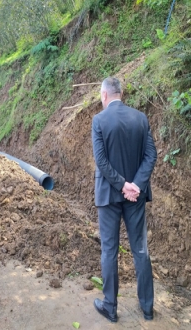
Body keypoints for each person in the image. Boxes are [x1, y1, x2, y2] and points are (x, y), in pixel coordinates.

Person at [91, 77, 157, 323]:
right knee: (140, 249)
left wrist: (121, 185)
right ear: (121, 93)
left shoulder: (99, 120)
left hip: (109, 196)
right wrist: (135, 185)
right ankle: (147, 308)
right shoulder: (140, 118)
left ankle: (110, 307)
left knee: (109, 250)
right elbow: (151, 156)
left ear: (105, 95)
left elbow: (101, 161)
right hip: (135, 197)